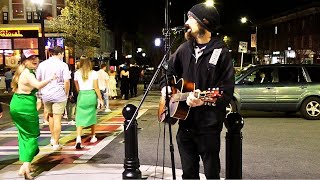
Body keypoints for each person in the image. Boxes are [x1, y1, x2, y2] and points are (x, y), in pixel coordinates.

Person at [159, 3, 235, 179]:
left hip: (208, 126)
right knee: (188, 174)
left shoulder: (220, 52)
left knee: (211, 173)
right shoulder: (184, 49)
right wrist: (166, 87)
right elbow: (167, 72)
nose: (187, 22)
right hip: (185, 124)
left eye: (191, 18)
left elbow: (226, 90)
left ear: (203, 23)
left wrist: (203, 100)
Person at [9, 49, 56, 179]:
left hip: (16, 104)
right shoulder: (27, 73)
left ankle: (26, 164)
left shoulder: (22, 72)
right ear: (24, 62)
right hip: (25, 107)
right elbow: (38, 85)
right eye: (31, 58)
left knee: (23, 135)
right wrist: (50, 78)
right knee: (32, 136)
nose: (35, 59)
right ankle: (26, 165)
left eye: (35, 57)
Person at [36, 46, 71, 151]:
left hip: (46, 94)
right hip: (59, 94)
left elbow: (38, 79)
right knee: (57, 118)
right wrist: (66, 93)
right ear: (60, 53)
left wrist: (39, 95)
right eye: (62, 54)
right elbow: (67, 81)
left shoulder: (42, 65)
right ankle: (56, 142)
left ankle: (52, 138)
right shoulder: (63, 65)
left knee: (50, 116)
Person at [74, 55, 104, 149]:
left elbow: (77, 86)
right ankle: (93, 136)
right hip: (91, 95)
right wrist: (100, 99)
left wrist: (80, 93)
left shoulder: (77, 73)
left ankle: (78, 138)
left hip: (82, 95)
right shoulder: (94, 73)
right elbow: (96, 87)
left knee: (79, 117)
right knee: (92, 115)